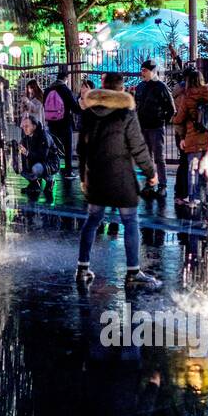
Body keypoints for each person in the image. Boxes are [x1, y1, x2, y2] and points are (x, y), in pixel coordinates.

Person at [77, 74, 161, 290]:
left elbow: (81, 149)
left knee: (93, 219)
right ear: (121, 89)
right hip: (121, 176)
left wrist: (83, 177)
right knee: (130, 221)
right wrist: (151, 172)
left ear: (103, 88)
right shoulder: (126, 114)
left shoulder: (89, 114)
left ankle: (82, 268)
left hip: (96, 176)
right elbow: (138, 146)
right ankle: (133, 272)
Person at [170, 69, 208, 206]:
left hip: (191, 138)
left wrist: (182, 136)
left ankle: (192, 199)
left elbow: (178, 120)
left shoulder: (186, 97)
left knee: (191, 169)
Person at [133, 60, 174, 202]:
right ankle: (150, 184)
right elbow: (136, 104)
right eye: (142, 70)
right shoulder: (141, 86)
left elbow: (171, 108)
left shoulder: (161, 87)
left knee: (159, 157)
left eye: (145, 70)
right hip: (143, 126)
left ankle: (162, 185)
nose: (142, 73)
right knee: (147, 158)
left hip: (156, 127)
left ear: (152, 71)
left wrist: (162, 120)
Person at [44, 68, 80, 179]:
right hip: (64, 122)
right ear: (66, 78)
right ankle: (68, 171)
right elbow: (75, 108)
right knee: (68, 147)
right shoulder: (65, 90)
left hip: (51, 123)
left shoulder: (48, 90)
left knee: (52, 147)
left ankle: (50, 168)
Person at [18, 115, 57, 190]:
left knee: (37, 168)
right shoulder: (26, 136)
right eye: (23, 126)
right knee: (17, 165)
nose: (24, 128)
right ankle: (34, 183)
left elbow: (43, 156)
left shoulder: (44, 136)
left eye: (27, 126)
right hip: (34, 161)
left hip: (50, 163)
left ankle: (50, 180)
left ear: (34, 126)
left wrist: (27, 153)